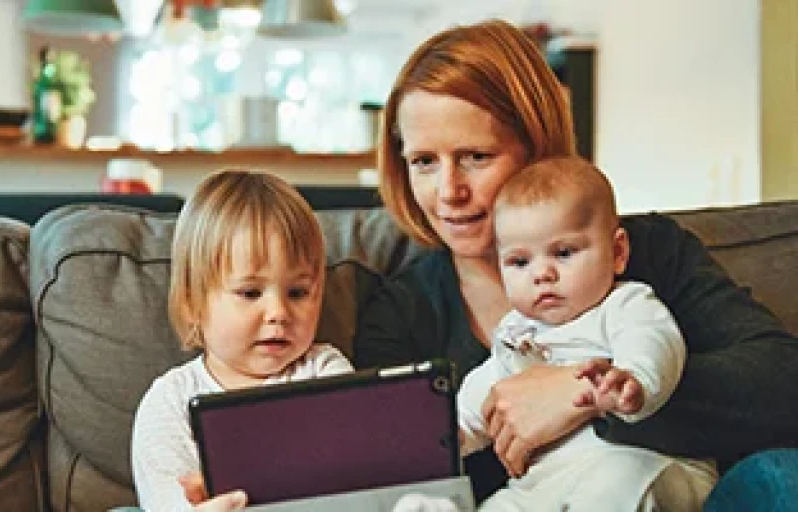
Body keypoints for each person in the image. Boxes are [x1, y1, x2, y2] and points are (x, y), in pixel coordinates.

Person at [352, 18, 798, 508]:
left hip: (664, 489)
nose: (449, 192)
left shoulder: (647, 253)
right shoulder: (400, 313)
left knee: (780, 478)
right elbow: (399, 472)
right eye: (423, 162)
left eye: (476, 156)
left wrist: (583, 394)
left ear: (536, 146)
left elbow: (782, 381)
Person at [457, 156, 716, 510]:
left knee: (616, 483)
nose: (541, 274)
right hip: (544, 485)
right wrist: (452, 434)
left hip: (643, 464)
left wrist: (633, 381)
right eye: (520, 262)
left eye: (563, 253)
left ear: (618, 252)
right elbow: (486, 394)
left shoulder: (624, 304)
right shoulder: (515, 333)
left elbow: (654, 342)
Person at [130, 169, 354, 511]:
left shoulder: (325, 372)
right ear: (192, 303)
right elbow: (167, 502)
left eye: (297, 292)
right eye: (250, 293)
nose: (278, 312)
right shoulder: (170, 402)